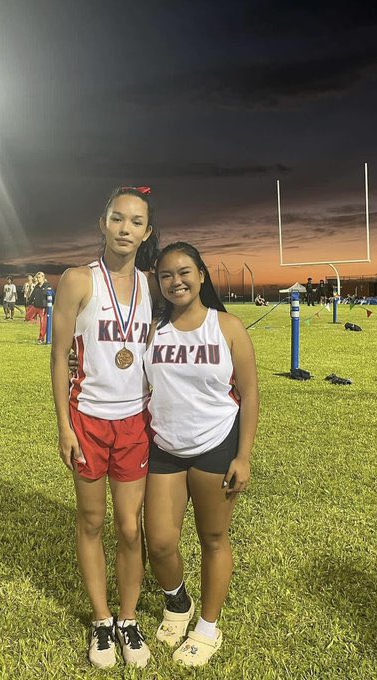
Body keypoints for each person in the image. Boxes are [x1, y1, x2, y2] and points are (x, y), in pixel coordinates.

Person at [51, 186, 160, 669]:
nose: (125, 229)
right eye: (117, 218)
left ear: (147, 233)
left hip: (135, 421)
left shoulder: (152, 285)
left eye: (136, 222)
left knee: (129, 528)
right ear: (103, 222)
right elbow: (58, 356)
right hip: (88, 421)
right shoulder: (78, 280)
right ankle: (101, 622)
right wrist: (63, 426)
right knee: (92, 522)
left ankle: (129, 619)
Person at [143, 242, 259, 668]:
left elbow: (249, 394)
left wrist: (243, 456)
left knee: (212, 538)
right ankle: (178, 602)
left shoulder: (227, 327)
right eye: (167, 275)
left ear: (202, 276)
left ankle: (208, 625)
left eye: (185, 272)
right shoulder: (153, 331)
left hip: (216, 445)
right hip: (165, 448)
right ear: (159, 283)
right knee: (159, 541)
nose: (177, 281)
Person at [27, 272, 50, 342]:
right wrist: (28, 303)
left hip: (43, 307)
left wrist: (50, 304)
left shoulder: (47, 286)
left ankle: (41, 338)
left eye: (39, 277)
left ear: (43, 277)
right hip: (35, 306)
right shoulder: (37, 286)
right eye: (37, 277)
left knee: (43, 323)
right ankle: (34, 320)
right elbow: (32, 295)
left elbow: (52, 294)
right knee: (27, 317)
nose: (38, 279)